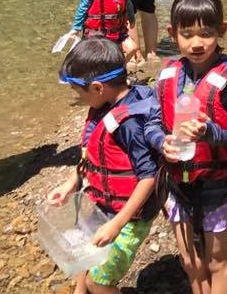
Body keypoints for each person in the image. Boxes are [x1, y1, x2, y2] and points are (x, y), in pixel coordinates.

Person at [145, 0, 227, 294]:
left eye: (206, 34)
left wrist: (213, 133)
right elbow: (154, 123)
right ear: (172, 33)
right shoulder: (168, 73)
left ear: (221, 30)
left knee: (217, 261)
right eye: (187, 34)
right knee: (190, 260)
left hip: (217, 184)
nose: (196, 43)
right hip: (176, 182)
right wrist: (160, 141)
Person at [48, 38, 159, 294]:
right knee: (84, 253)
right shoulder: (104, 106)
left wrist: (117, 224)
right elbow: (92, 156)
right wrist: (71, 183)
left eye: (79, 93)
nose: (80, 99)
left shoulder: (129, 123)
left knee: (98, 281)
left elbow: (149, 176)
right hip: (103, 205)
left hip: (129, 216)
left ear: (97, 88)